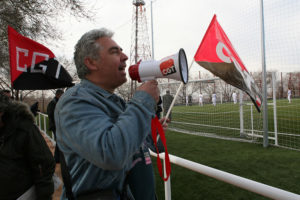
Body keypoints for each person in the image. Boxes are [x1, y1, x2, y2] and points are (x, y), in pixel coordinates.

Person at [55, 28, 163, 199]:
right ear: (91, 63)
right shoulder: (74, 102)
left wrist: (150, 123)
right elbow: (111, 153)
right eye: (114, 52)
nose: (125, 56)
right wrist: (142, 101)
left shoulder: (116, 102)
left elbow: (139, 147)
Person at [0, 93, 55, 200]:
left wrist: (44, 195)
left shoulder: (24, 129)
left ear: (1, 112)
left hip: (21, 193)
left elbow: (44, 164)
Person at [47, 89, 64, 163]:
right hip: (55, 126)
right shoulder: (52, 103)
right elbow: (51, 115)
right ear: (58, 95)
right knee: (59, 141)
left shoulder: (57, 102)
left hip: (57, 125)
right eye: (62, 95)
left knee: (59, 141)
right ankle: (57, 158)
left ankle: (57, 158)